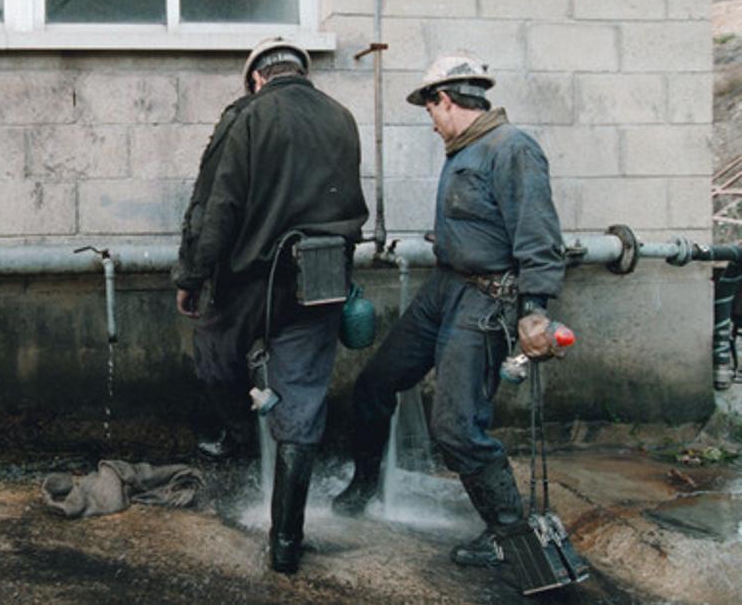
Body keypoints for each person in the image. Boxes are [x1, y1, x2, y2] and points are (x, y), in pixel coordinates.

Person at [331, 53, 565, 569]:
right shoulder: (465, 150)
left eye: (430, 110)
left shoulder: (511, 149)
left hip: (489, 298)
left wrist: (533, 310)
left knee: (457, 427)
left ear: (445, 100)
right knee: (374, 384)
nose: (431, 122)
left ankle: (507, 531)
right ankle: (367, 484)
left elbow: (540, 235)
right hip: (445, 288)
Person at [174, 38, 368, 574]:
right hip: (323, 276)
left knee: (215, 356)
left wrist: (191, 276)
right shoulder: (343, 117)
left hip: (254, 278)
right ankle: (286, 543)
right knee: (303, 402)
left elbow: (220, 207)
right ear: (300, 73)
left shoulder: (250, 117)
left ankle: (237, 431)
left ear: (257, 78)